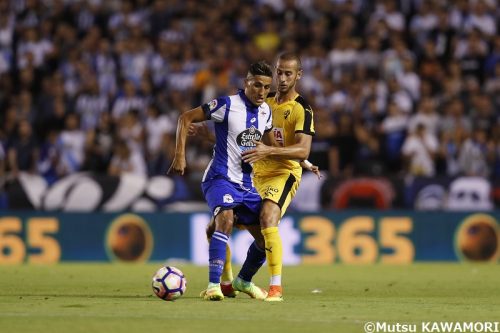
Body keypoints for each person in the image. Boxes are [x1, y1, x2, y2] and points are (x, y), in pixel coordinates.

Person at [168, 60, 274, 301]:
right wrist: (179, 156)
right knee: (225, 219)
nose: (261, 92)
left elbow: (254, 145)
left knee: (266, 238)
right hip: (219, 177)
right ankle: (214, 285)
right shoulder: (226, 104)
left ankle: (243, 281)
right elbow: (185, 118)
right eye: (257, 85)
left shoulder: (266, 112)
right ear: (247, 83)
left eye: (267, 87)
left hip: (247, 185)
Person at [242, 52, 316, 302]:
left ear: (298, 75)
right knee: (231, 222)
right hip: (256, 172)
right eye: (279, 72)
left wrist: (277, 153)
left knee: (268, 216)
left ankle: (276, 288)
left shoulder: (301, 109)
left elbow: (303, 148)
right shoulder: (264, 103)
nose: (282, 78)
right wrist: (208, 136)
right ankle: (236, 280)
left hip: (283, 173)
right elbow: (248, 135)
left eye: (288, 73)